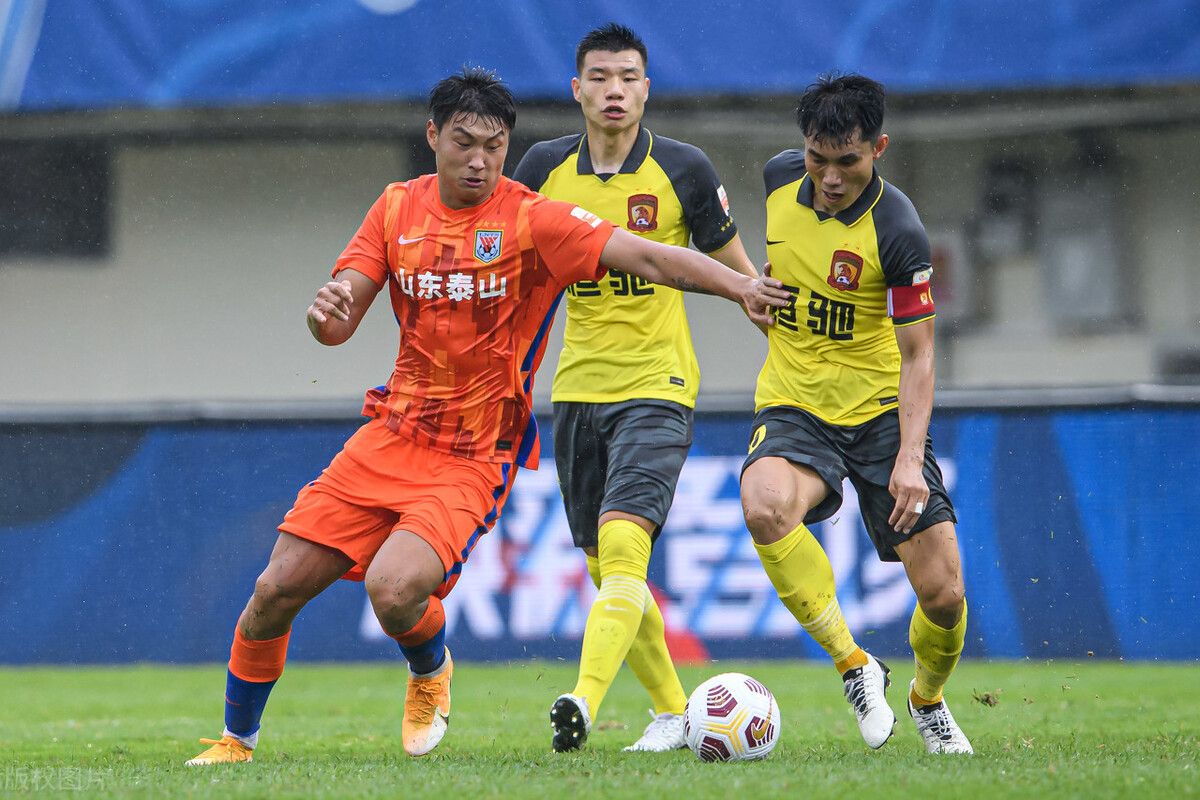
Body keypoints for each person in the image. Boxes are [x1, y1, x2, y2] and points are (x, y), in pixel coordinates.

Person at [184, 66, 788, 766]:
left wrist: (742, 286)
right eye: (465, 143)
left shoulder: (534, 219)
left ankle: (429, 668)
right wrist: (326, 313)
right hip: (390, 433)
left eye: (495, 147)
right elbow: (339, 319)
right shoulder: (395, 209)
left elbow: (651, 257)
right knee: (274, 589)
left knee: (392, 590)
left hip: (473, 452)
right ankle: (237, 742)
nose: (480, 161)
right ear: (433, 135)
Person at [511, 23, 761, 755]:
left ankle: (581, 702)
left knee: (625, 544)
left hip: (659, 383)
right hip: (577, 390)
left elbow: (737, 272)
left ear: (646, 89)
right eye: (600, 77)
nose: (614, 90)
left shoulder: (683, 169)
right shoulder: (542, 169)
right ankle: (673, 712)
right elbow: (509, 270)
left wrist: (771, 321)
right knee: (604, 564)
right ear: (576, 89)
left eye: (627, 77)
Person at [739, 73, 973, 755]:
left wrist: (909, 459)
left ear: (879, 148)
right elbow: (762, 261)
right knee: (763, 505)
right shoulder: (778, 180)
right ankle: (854, 665)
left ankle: (927, 700)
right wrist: (752, 287)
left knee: (943, 595)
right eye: (818, 159)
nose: (831, 178)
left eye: (848, 161)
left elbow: (919, 356)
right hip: (794, 403)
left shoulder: (898, 231)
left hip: (878, 415)